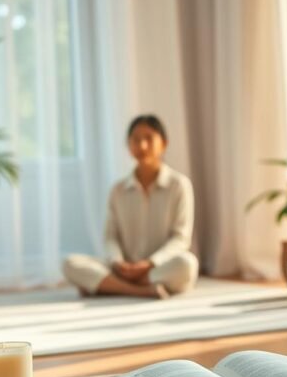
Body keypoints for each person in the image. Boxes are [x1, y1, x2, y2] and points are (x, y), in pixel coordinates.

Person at [63, 115, 199, 298]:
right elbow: (110, 237)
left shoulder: (179, 185)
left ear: (164, 143)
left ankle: (110, 286)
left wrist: (150, 263)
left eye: (149, 139)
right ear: (129, 146)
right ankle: (139, 290)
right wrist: (117, 262)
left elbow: (180, 239)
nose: (142, 146)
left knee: (187, 264)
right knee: (70, 263)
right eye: (136, 140)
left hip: (158, 267)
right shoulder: (118, 190)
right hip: (123, 269)